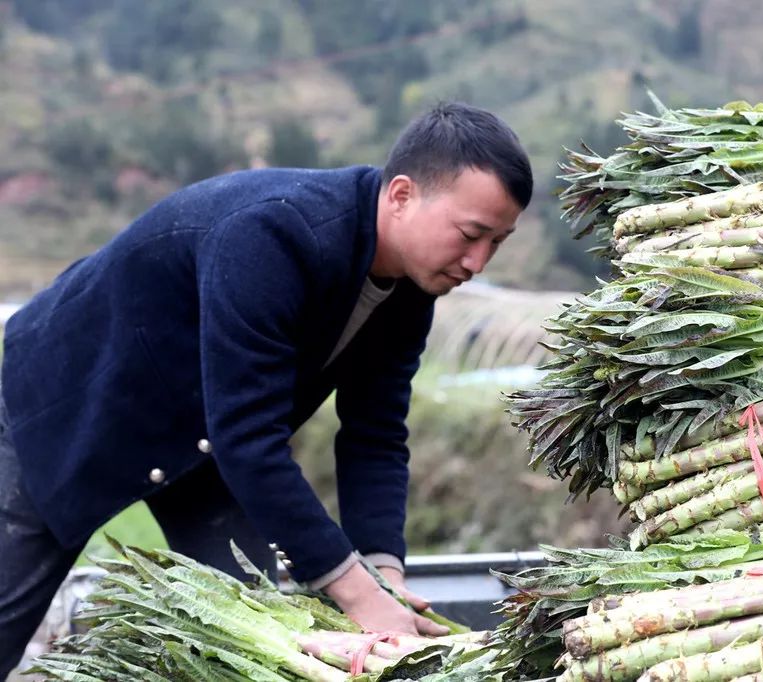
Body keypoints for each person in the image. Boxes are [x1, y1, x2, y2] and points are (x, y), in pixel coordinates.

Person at [0, 101, 532, 676]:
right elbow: (250, 437)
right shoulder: (274, 236)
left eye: (496, 243)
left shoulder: (410, 292)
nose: (477, 262)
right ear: (401, 195)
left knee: (246, 634)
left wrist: (384, 578)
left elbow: (374, 437)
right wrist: (357, 594)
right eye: (471, 234)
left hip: (201, 440)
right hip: (63, 408)